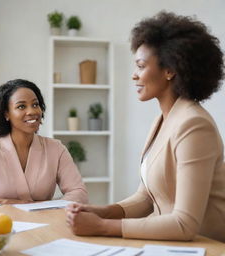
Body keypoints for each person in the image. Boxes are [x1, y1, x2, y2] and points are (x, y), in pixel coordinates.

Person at [66, 11, 225, 242]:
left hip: (205, 246)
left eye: (141, 66)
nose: (134, 75)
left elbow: (185, 224)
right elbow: (146, 197)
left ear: (170, 70)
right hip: (166, 244)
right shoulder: (163, 119)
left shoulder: (194, 125)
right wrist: (104, 211)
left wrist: (103, 226)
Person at [0, 79, 88, 207]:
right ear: (6, 114)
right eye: (21, 106)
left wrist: (48, 206)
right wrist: (1, 202)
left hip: (46, 223)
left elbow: (78, 192)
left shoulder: (56, 149)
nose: (32, 111)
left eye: (35, 104)